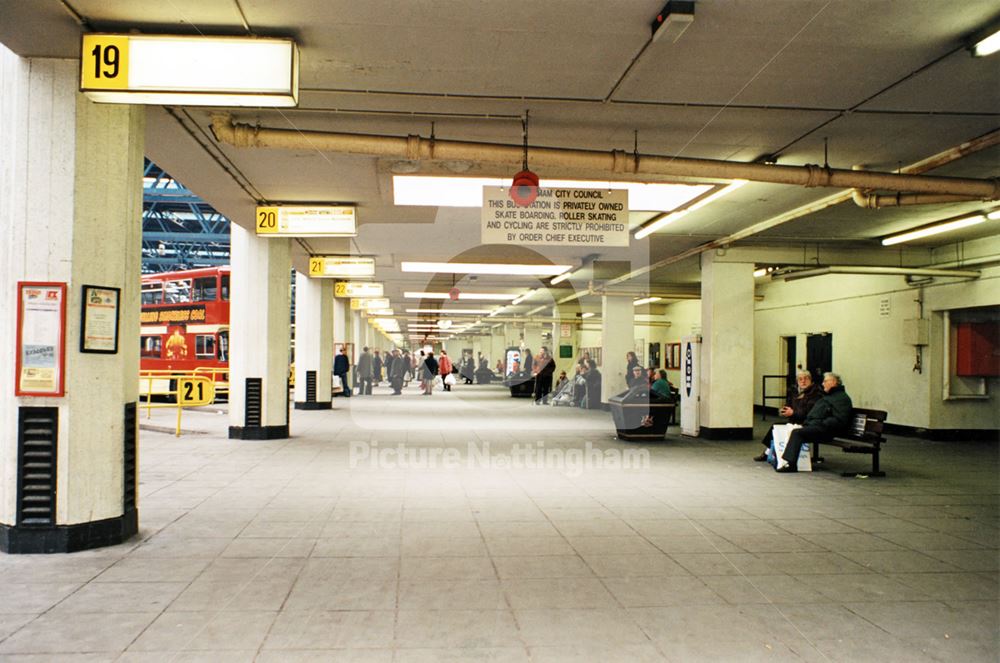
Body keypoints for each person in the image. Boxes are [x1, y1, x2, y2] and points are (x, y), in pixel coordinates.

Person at [775, 372, 853, 473]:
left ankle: (791, 464)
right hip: (819, 426)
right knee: (796, 431)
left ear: (834, 382)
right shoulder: (829, 396)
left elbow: (839, 419)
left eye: (825, 381)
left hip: (828, 430)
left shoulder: (841, 398)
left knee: (797, 433)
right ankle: (785, 460)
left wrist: (822, 423)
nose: (823, 384)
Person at [754, 370, 824, 462]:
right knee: (775, 427)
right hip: (794, 421)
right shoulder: (795, 392)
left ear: (810, 380)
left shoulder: (815, 394)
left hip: (807, 423)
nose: (803, 381)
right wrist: (784, 410)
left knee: (786, 430)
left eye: (806, 379)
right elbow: (789, 405)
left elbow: (809, 413)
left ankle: (773, 455)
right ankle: (767, 452)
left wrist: (793, 413)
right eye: (800, 379)